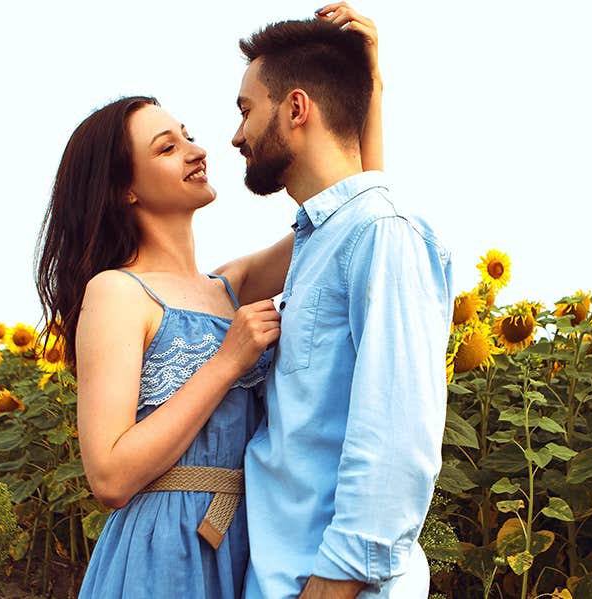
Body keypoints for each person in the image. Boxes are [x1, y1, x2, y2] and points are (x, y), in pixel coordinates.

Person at [34, 7, 383, 592]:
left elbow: (354, 214)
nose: (198, 150)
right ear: (124, 188)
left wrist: (366, 84)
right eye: (167, 149)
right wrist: (226, 364)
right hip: (162, 550)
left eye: (189, 136)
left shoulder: (232, 284)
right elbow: (110, 476)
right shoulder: (117, 292)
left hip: (250, 541)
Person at [233, 6, 453, 598]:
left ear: (297, 108)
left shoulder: (382, 232)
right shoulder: (321, 240)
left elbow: (395, 442)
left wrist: (326, 593)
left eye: (246, 110)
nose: (236, 136)